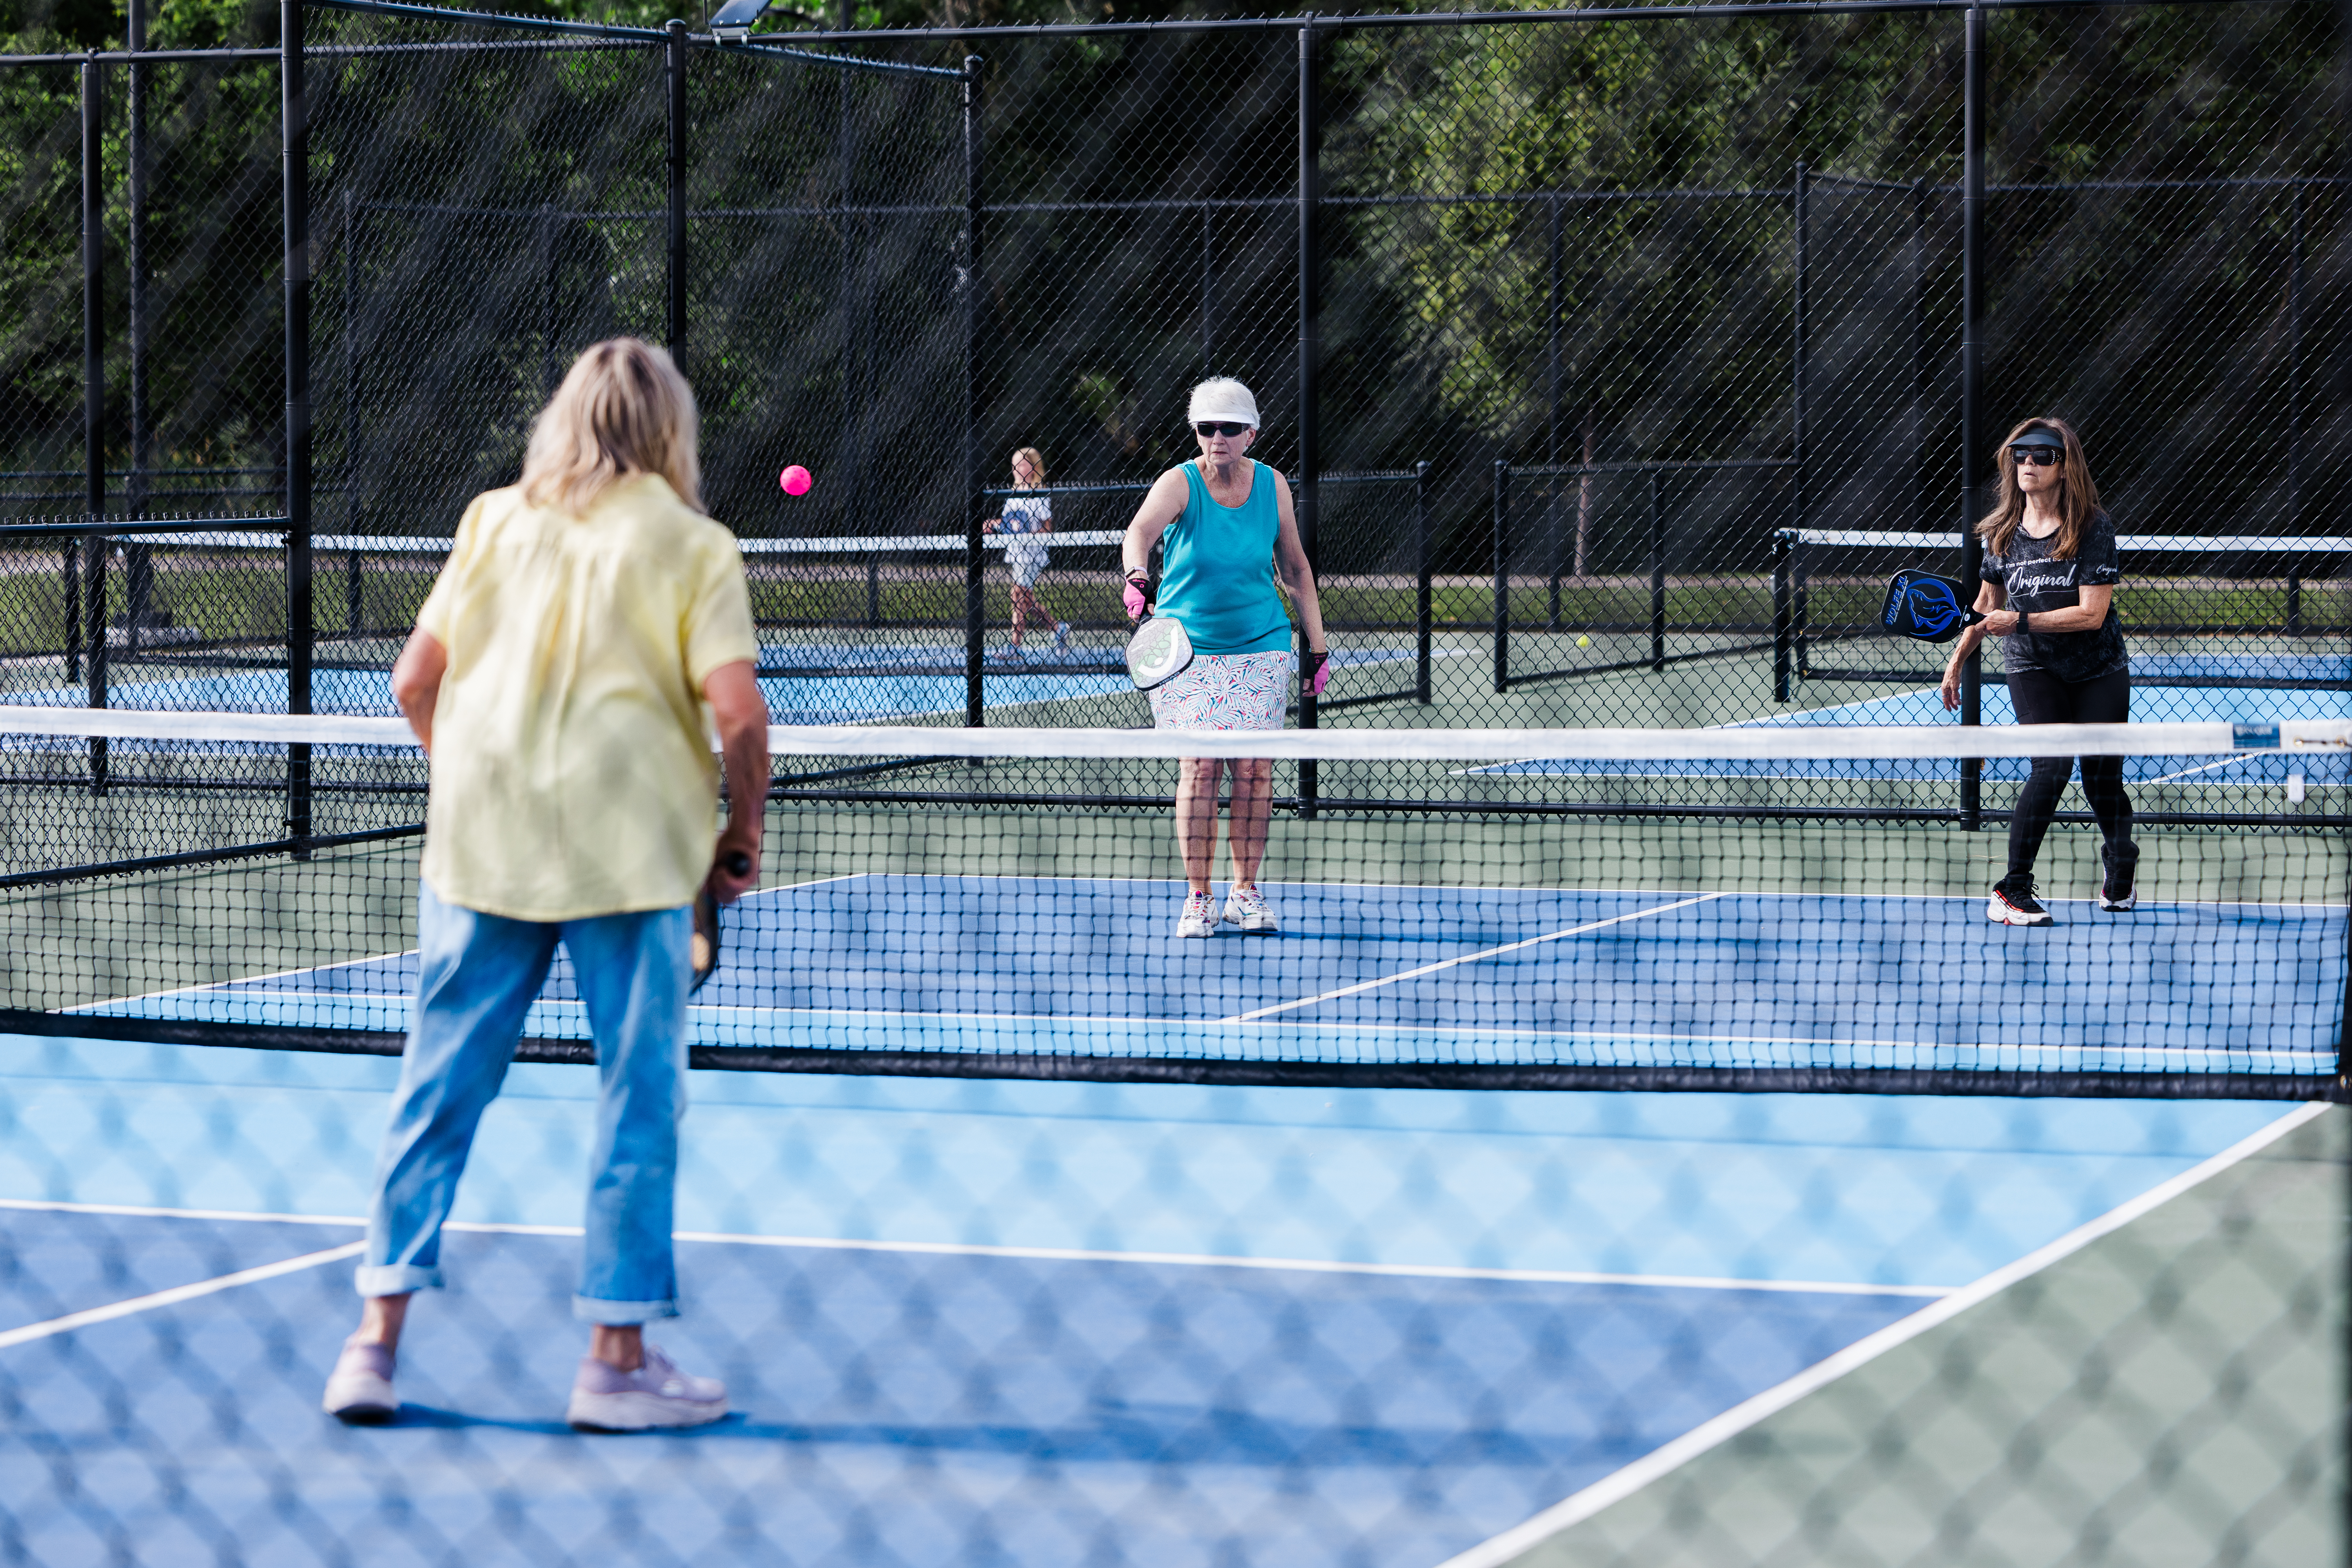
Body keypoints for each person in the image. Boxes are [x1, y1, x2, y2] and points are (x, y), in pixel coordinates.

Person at [320, 338, 769, 1431]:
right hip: (634, 860)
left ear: (565, 417)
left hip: (483, 850)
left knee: (439, 1091)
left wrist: (477, 776)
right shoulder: (693, 544)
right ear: (670, 427)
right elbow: (741, 715)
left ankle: (372, 1347)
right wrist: (741, 836)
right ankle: (615, 1365)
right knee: (638, 1099)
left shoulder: (493, 521)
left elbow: (412, 681)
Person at [1120, 377, 1330, 939]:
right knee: (1201, 769)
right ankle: (1198, 898)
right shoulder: (1180, 483)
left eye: (1230, 428)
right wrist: (1136, 573)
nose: (1218, 437)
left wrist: (1318, 647)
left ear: (1251, 433)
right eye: (1208, 428)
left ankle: (1245, 891)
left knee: (1255, 771)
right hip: (1187, 652)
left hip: (1261, 644)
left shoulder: (1273, 485)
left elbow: (1295, 569)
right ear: (1197, 433)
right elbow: (1139, 531)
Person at [1940, 416, 2136, 926]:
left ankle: (2122, 858)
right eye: (2020, 454)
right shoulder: (2002, 534)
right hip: (2032, 667)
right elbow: (1986, 606)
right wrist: (1957, 660)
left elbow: (2092, 614)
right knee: (2051, 766)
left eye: (2042, 455)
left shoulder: (2093, 526)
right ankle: (2013, 889)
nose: (2028, 463)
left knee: (2103, 782)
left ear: (2064, 465)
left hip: (2099, 667)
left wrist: (2020, 619)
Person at [981, 446, 1068, 658]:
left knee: (1018, 596)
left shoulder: (1040, 494)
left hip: (1033, 554)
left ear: (1033, 466)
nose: (1017, 468)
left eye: (1022, 463)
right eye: (1015, 465)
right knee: (1023, 599)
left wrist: (1030, 532)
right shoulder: (1013, 494)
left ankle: (1015, 647)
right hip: (1017, 552)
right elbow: (1010, 522)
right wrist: (994, 524)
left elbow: (1047, 527)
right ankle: (1058, 628)